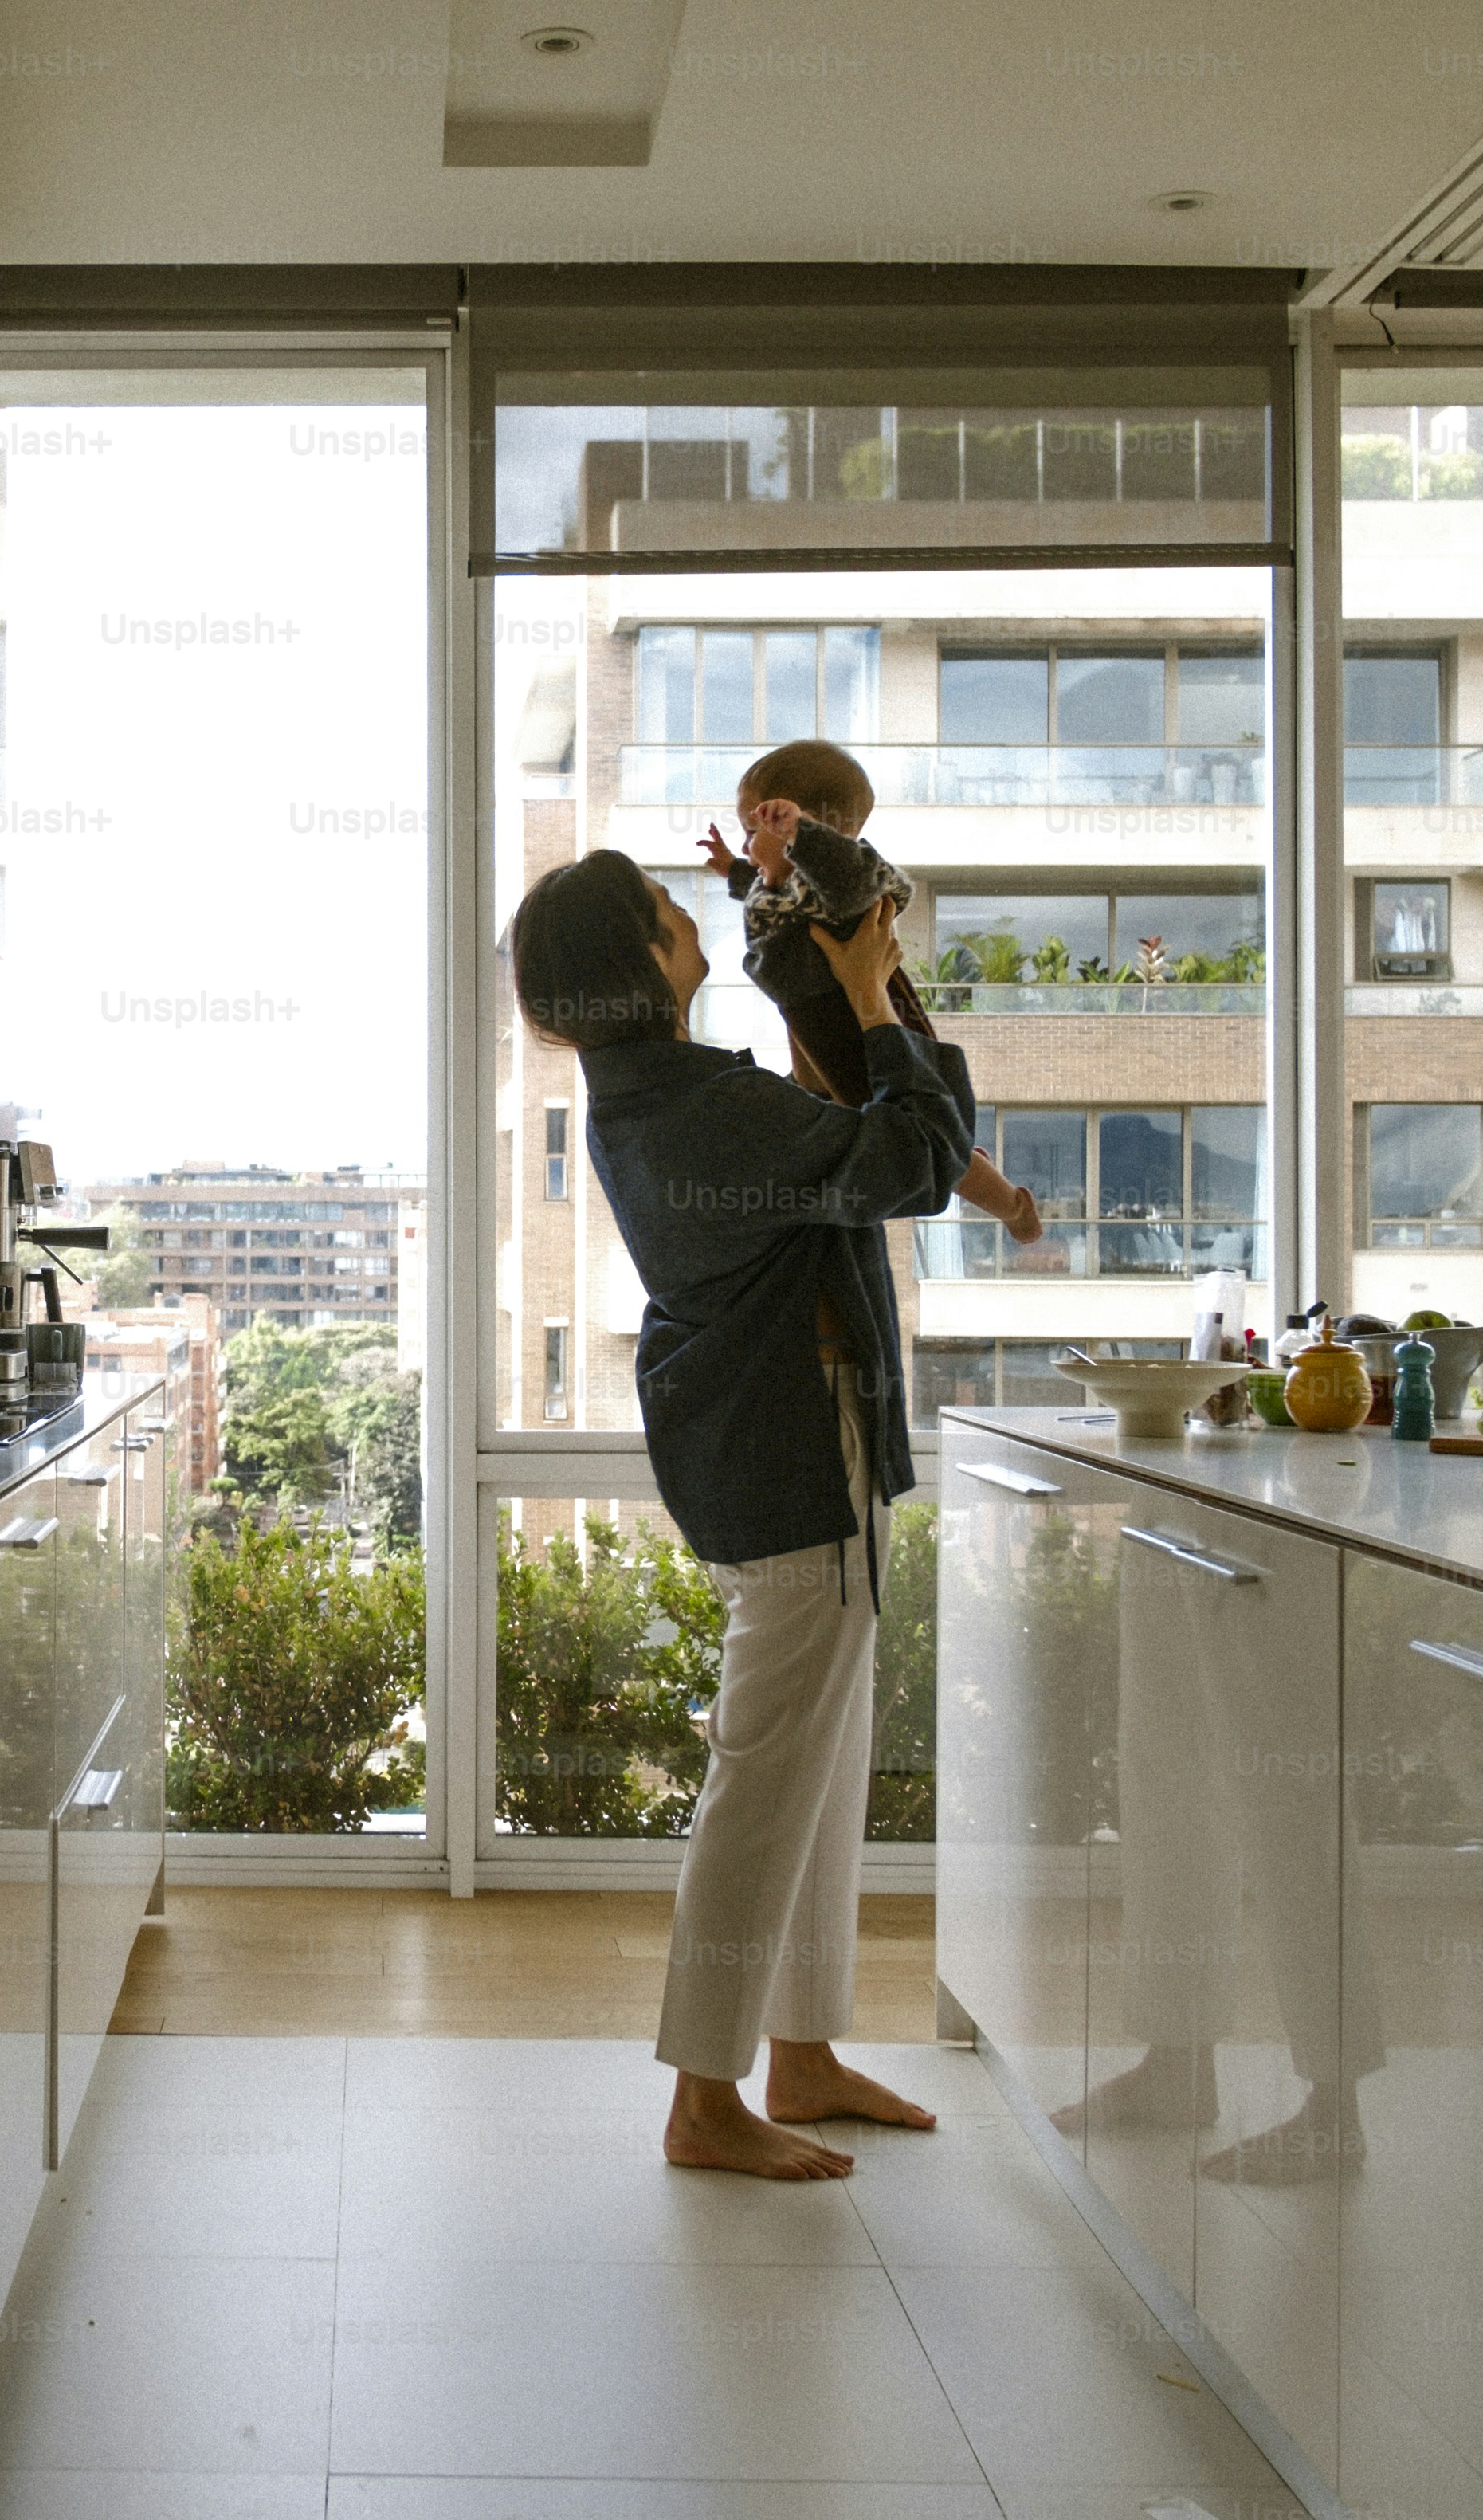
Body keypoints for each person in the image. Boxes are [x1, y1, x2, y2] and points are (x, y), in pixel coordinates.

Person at [507, 844, 974, 2180]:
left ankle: (800, 2053)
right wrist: (871, 997)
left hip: (794, 1445)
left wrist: (841, 974)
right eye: (663, 908)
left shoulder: (663, 1091)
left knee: (814, 1771)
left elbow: (869, 1144)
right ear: (636, 959)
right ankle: (703, 2098)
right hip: (791, 1453)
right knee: (766, 1780)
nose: (682, 909)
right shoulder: (699, 1108)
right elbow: (917, 1158)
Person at [696, 738, 1042, 1246]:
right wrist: (734, 868)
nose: (748, 846)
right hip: (809, 1020)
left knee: (905, 1135)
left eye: (754, 833)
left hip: (858, 1025)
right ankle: (961, 1159)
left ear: (806, 830)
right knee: (833, 1109)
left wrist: (802, 835)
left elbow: (857, 878)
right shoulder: (790, 884)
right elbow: (766, 893)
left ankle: (1009, 1202)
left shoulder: (840, 886)